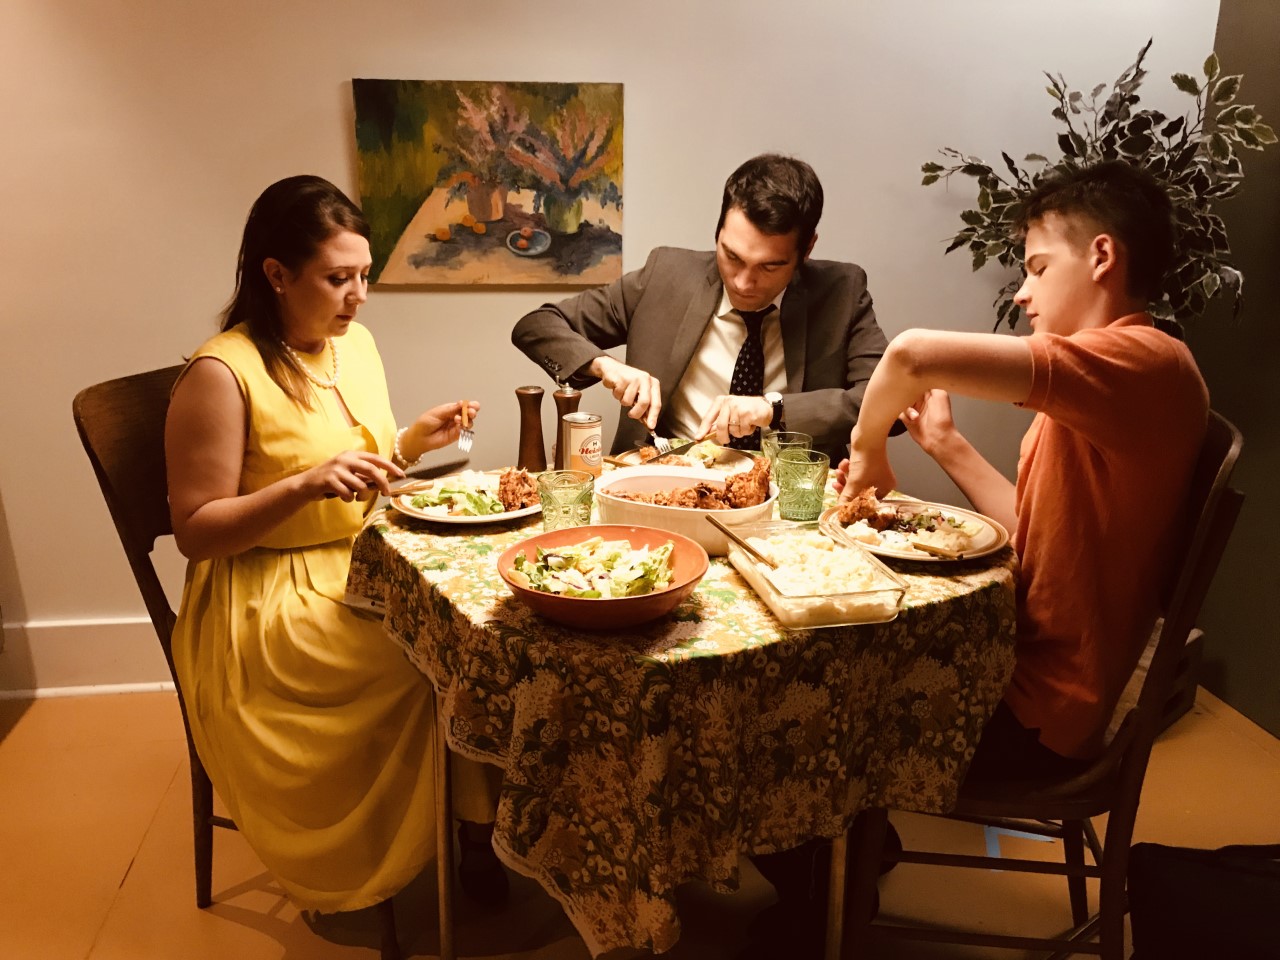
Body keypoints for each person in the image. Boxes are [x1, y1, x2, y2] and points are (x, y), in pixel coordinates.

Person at [165, 175, 507, 916]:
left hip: (361, 561)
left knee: (482, 632)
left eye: (363, 276)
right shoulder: (222, 374)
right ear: (277, 275)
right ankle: (450, 841)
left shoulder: (354, 344)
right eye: (337, 278)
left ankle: (478, 832)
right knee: (431, 660)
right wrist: (301, 485)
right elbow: (196, 532)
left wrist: (415, 440)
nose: (357, 296)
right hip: (265, 596)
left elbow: (359, 463)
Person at [838, 159, 1209, 779]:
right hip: (1017, 672)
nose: (1022, 291)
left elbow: (910, 354)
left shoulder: (1146, 360)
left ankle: (839, 864)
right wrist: (946, 445)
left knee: (810, 709)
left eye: (1037, 268)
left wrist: (869, 449)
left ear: (1101, 256)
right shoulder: (1104, 385)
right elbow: (1036, 538)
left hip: (1038, 714)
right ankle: (845, 859)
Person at [511, 153, 895, 463]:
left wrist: (773, 411)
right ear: (718, 233)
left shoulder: (842, 292)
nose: (744, 282)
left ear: (807, 249)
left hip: (789, 506)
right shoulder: (666, 276)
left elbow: (888, 403)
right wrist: (605, 366)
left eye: (770, 266)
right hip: (666, 485)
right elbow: (537, 324)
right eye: (732, 256)